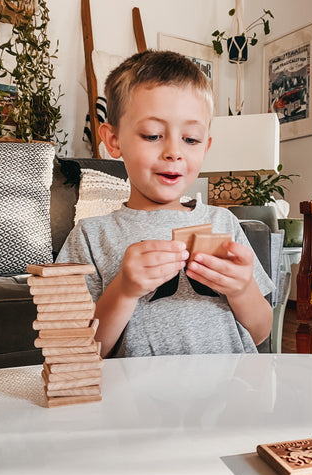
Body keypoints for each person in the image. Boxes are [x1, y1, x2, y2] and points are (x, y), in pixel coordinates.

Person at [57, 50, 274, 358]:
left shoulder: (224, 223)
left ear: (206, 145)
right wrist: (124, 290)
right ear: (113, 140)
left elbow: (261, 330)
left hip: (228, 398)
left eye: (191, 139)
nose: (174, 151)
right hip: (137, 402)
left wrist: (241, 290)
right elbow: (78, 352)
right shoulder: (91, 237)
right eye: (153, 135)